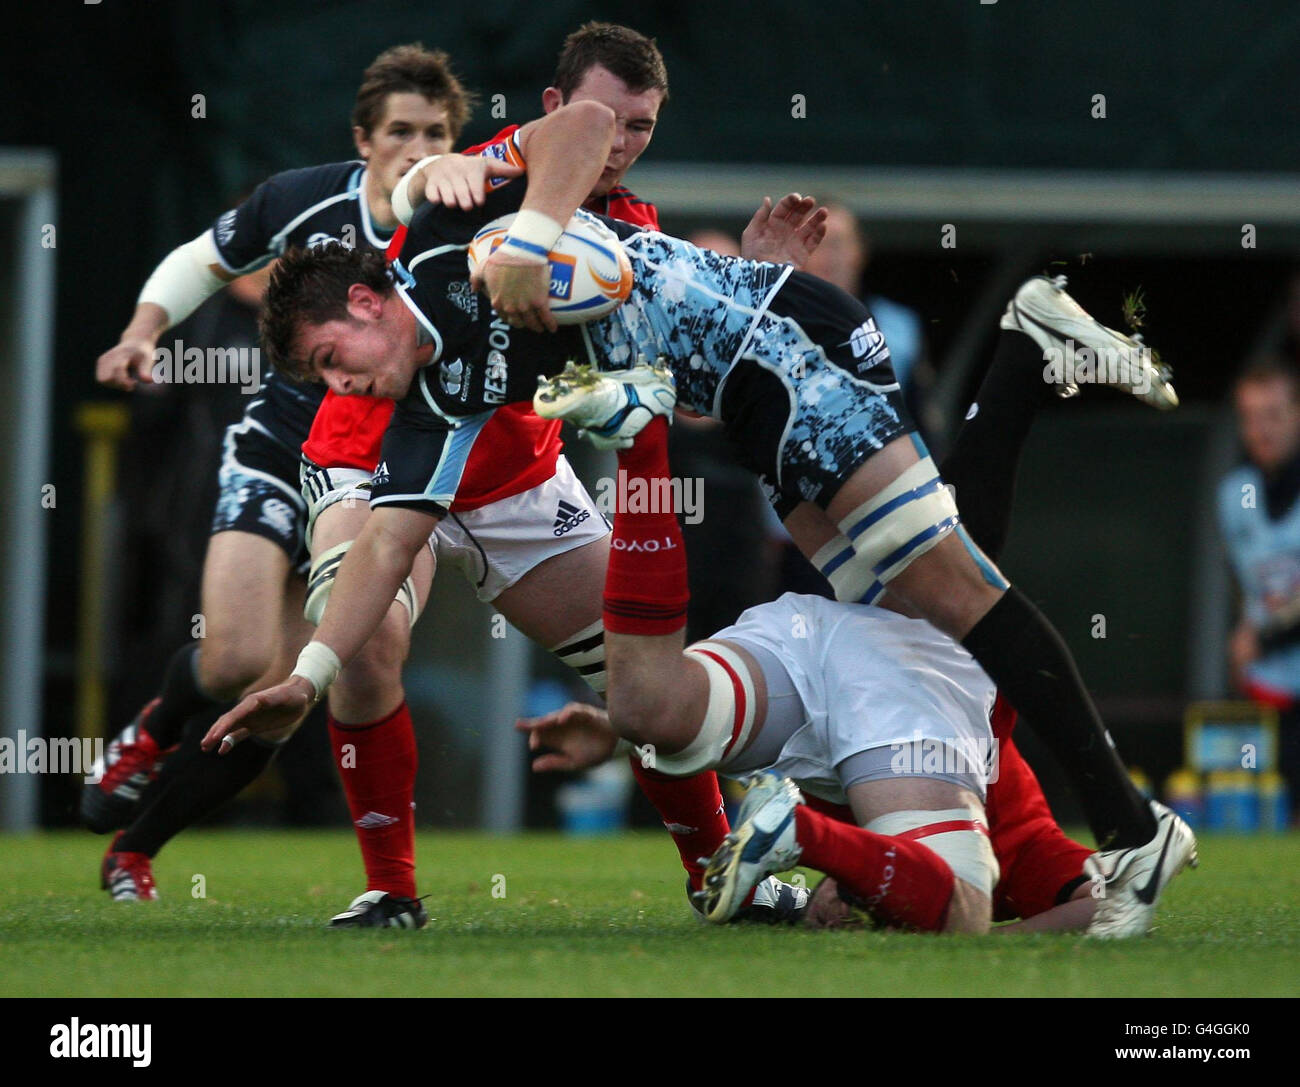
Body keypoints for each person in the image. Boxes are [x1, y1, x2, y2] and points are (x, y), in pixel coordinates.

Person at [208, 101, 1191, 937]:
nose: (341, 384)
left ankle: (1127, 826)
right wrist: (309, 673)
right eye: (324, 381)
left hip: (785, 345)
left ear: (369, 298)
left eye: (332, 357)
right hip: (741, 386)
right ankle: (1022, 354)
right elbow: (385, 542)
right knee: (916, 606)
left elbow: (584, 124)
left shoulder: (435, 221)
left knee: (951, 595)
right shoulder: (435, 403)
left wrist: (535, 227)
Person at [295, 22, 822, 924]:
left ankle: (719, 880)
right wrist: (435, 174)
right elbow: (434, 186)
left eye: (642, 126)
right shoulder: (497, 170)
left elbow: (681, 401)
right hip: (374, 452)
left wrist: (749, 295)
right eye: (607, 118)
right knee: (368, 641)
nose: (619, 143)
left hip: (517, 483)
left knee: (646, 686)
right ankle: (391, 887)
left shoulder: (635, 234)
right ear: (554, 107)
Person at [86, 44, 470, 912]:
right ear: (363, 138)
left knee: (296, 688)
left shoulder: (468, 212)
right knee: (232, 660)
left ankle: (132, 852)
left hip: (383, 470)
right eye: (400, 130)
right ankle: (149, 734)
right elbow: (201, 261)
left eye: (437, 131)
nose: (418, 146)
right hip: (278, 448)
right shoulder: (303, 200)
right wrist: (143, 331)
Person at [1219, 355, 1300, 812]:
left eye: (1273, 415)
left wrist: (1264, 634)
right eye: (1250, 417)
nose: (1261, 430)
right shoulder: (1235, 496)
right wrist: (1244, 635)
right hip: (1268, 684)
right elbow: (1246, 584)